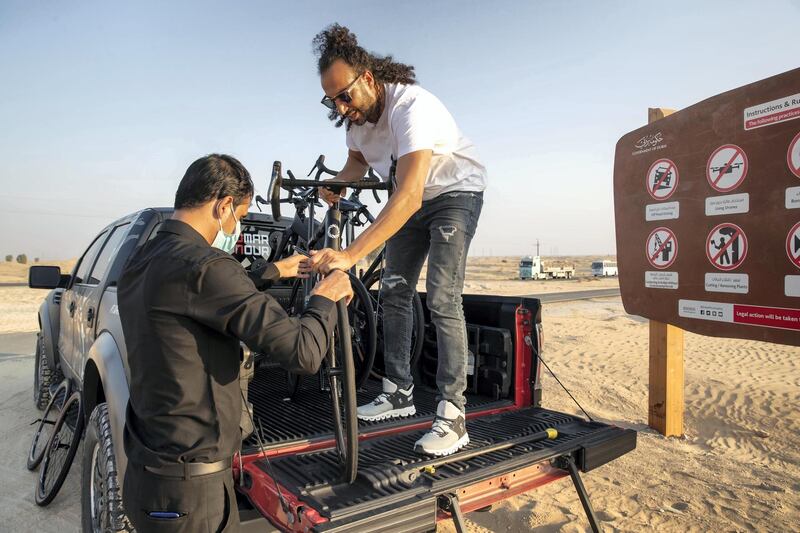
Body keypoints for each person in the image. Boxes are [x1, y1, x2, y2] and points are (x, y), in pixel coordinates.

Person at [118, 154, 352, 532]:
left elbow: (197, 297)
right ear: (223, 205)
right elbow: (303, 352)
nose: (237, 227)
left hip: (149, 471)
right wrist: (325, 298)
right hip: (192, 492)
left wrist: (274, 270)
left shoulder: (143, 258)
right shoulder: (207, 266)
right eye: (239, 216)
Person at [304, 24, 488, 457]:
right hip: (411, 198)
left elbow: (405, 197)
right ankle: (398, 392)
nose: (341, 108)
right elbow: (357, 162)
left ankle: (453, 416)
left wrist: (350, 255)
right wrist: (338, 182)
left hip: (453, 195)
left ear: (367, 78)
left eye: (345, 96)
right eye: (332, 101)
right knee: (394, 292)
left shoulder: (411, 107)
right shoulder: (356, 124)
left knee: (442, 297)